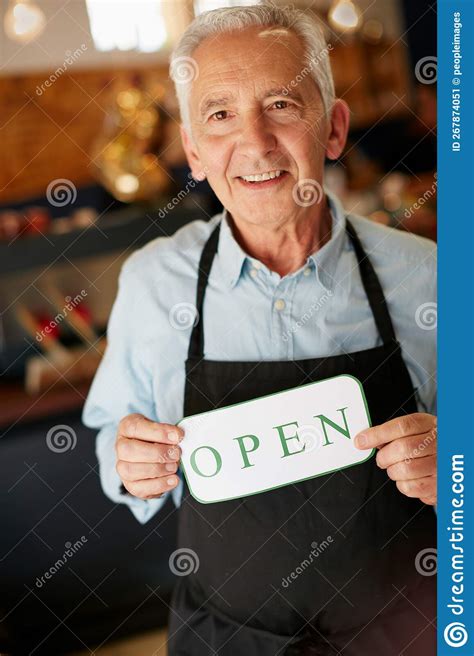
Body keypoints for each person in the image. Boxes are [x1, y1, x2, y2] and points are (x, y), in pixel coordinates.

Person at [83, 4, 437, 654]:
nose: (254, 142)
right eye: (219, 114)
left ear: (333, 129)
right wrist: (129, 462)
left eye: (280, 104)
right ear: (193, 149)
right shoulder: (153, 284)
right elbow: (113, 431)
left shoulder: (432, 280)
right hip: (222, 639)